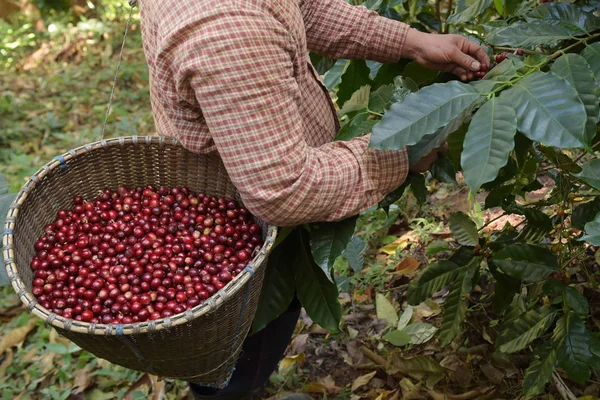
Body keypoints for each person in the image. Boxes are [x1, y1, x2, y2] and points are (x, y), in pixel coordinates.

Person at [137, 0, 489, 398]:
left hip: (239, 204)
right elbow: (283, 190)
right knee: (234, 353)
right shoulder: (224, 29)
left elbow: (301, 8)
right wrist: (399, 153)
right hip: (242, 228)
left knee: (250, 337)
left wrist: (410, 42)